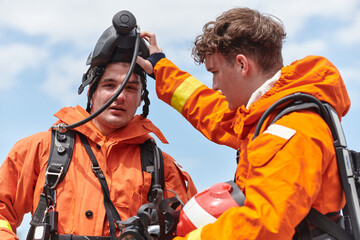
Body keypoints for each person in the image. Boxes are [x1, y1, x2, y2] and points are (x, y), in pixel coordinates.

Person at [137, 7, 351, 240]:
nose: (214, 85)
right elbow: (211, 111)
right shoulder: (268, 115)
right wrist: (160, 69)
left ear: (242, 65)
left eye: (215, 72)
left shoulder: (292, 129)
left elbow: (263, 226)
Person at [0, 14, 197, 240]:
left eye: (130, 88)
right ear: (91, 91)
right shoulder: (39, 149)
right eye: (110, 85)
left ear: (142, 97)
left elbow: (192, 230)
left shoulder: (163, 167)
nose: (120, 96)